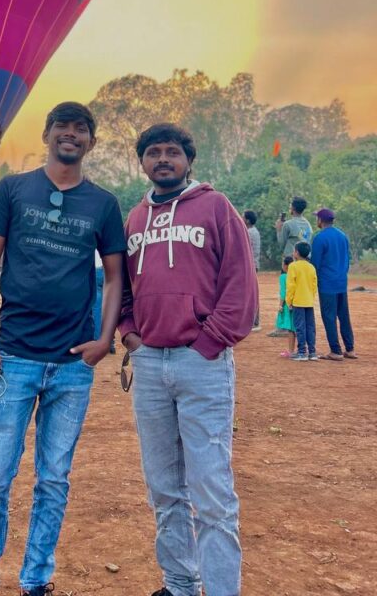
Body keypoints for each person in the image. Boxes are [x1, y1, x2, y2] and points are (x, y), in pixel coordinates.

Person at [0, 101, 126, 596]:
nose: (70, 136)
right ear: (47, 135)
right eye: (62, 128)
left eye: (81, 130)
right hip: (14, 357)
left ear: (91, 142)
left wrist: (105, 338)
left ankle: (36, 581)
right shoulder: (13, 190)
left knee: (53, 480)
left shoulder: (104, 204)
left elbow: (115, 277)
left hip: (73, 365)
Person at [119, 122, 257, 596]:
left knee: (211, 491)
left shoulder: (216, 208)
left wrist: (208, 343)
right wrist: (130, 335)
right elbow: (121, 288)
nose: (163, 159)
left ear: (188, 160)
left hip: (203, 363)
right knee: (163, 488)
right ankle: (180, 584)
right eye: (153, 152)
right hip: (151, 365)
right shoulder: (135, 218)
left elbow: (240, 285)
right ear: (142, 162)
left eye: (172, 152)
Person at [311, 208, 357, 361]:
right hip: (341, 281)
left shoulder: (319, 238)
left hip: (326, 284)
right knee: (344, 316)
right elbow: (347, 259)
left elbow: (315, 264)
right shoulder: (342, 236)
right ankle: (350, 349)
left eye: (317, 218)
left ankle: (335, 351)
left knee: (329, 317)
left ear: (321, 220)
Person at [286, 241, 318, 361]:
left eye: (294, 250)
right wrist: (311, 296)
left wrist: (289, 301)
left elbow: (291, 286)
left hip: (298, 302)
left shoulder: (293, 266)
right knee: (310, 327)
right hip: (309, 301)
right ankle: (312, 352)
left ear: (297, 253)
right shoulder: (311, 267)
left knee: (300, 327)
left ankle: (301, 352)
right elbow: (314, 285)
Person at [243, 209, 262, 330]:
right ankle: (253, 320)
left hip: (250, 265)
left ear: (248, 220)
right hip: (254, 264)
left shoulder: (248, 232)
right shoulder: (254, 231)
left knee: (249, 293)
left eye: (243, 217)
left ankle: (254, 321)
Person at [275, 255, 296, 358]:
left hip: (288, 305)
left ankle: (291, 351)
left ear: (286, 266)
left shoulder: (283, 277)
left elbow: (283, 293)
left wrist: (280, 305)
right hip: (297, 303)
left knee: (291, 329)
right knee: (298, 328)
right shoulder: (295, 275)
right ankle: (302, 349)